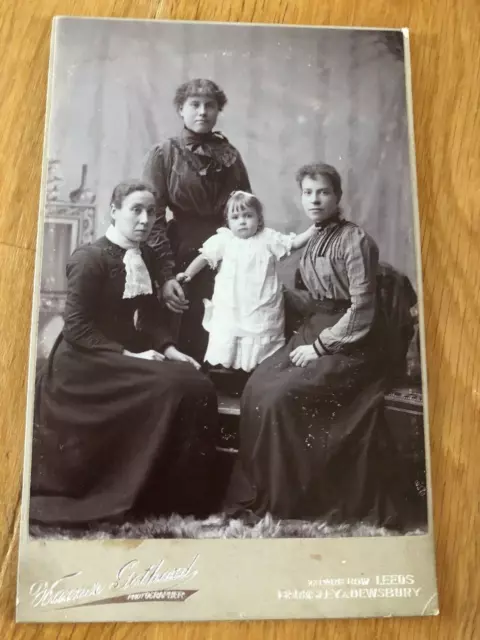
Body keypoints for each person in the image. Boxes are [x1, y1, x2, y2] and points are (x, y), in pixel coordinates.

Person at [225, 163, 410, 530]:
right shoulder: (314, 237)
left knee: (282, 396)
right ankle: (266, 491)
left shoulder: (355, 240)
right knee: (258, 386)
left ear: (337, 197)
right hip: (315, 328)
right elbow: (315, 299)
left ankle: (291, 499)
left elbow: (362, 309)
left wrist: (321, 347)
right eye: (308, 192)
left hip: (355, 341)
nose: (315, 199)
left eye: (323, 192)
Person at [30, 180, 220, 527]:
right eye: (136, 210)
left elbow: (147, 317)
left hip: (123, 355)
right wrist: (131, 357)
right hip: (83, 363)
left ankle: (172, 497)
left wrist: (170, 349)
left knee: (194, 381)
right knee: (174, 388)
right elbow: (76, 328)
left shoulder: (144, 255)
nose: (145, 219)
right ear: (114, 211)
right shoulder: (89, 259)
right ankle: (130, 490)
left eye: (152, 212)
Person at [143, 78, 252, 362]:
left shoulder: (230, 156)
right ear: (181, 109)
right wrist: (165, 275)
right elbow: (153, 217)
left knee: (219, 329)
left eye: (210, 106)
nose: (203, 112)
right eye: (195, 105)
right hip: (179, 249)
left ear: (218, 111)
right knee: (181, 323)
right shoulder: (164, 154)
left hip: (225, 252)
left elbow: (246, 211)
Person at [176, 190, 315, 373]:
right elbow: (204, 257)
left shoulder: (267, 238)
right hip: (231, 301)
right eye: (235, 217)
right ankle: (227, 369)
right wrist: (188, 274)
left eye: (248, 215)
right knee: (229, 330)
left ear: (259, 219)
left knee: (260, 330)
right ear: (228, 221)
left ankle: (257, 370)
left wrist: (313, 229)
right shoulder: (224, 240)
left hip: (260, 300)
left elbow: (294, 243)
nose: (242, 221)